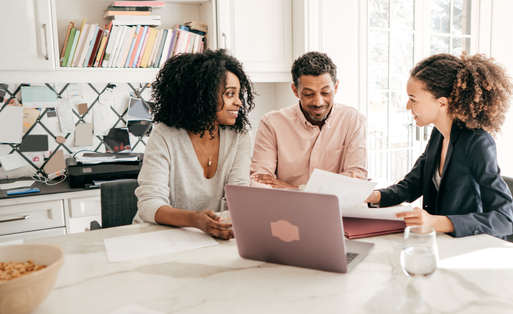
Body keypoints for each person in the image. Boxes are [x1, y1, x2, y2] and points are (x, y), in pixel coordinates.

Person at [365, 53, 513, 239]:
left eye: (413, 99)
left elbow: (504, 219)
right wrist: (373, 196)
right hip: (442, 242)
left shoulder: (477, 142)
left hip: (471, 246)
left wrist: (435, 222)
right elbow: (413, 185)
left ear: (442, 103)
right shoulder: (439, 134)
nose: (407, 106)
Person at [133, 49, 256, 239]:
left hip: (210, 236)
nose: (239, 102)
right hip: (160, 237)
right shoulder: (165, 135)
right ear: (204, 95)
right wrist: (195, 220)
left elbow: (238, 195)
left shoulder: (239, 135)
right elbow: (149, 204)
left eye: (239, 94)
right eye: (230, 94)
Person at [250, 51, 366, 189]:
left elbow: (356, 179)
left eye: (325, 93)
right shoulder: (271, 124)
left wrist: (293, 189)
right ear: (295, 90)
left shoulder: (353, 120)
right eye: (308, 94)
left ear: (335, 87)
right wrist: (334, 184)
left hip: (335, 209)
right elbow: (260, 182)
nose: (318, 102)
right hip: (286, 209)